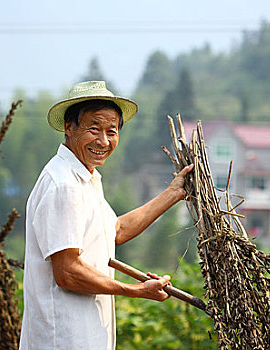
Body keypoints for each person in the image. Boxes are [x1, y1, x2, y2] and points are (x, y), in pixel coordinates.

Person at [19, 81, 193, 350]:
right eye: (94, 129)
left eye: (111, 131)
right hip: (64, 339)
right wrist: (135, 291)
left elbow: (116, 230)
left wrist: (172, 193)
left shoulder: (85, 179)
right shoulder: (64, 184)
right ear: (69, 127)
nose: (103, 141)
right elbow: (67, 271)